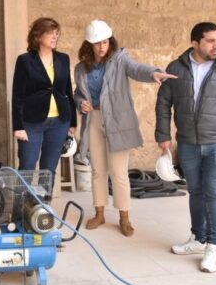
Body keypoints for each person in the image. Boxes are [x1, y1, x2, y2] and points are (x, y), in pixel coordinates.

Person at [155, 21, 216, 273]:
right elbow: (164, 103)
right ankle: (198, 238)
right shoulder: (176, 68)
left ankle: (212, 247)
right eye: (210, 40)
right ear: (195, 43)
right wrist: (163, 134)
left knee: (213, 193)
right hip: (187, 143)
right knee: (195, 192)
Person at [74, 20, 177, 237]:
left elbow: (137, 69)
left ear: (110, 41)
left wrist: (154, 73)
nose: (102, 47)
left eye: (105, 42)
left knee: (119, 172)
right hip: (93, 118)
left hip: (117, 121)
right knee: (97, 171)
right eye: (97, 43)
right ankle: (99, 213)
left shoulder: (120, 60)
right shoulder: (81, 68)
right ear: (89, 44)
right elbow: (78, 93)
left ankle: (124, 218)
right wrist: (80, 103)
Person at [12, 17, 76, 178]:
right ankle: (23, 203)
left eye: (56, 33)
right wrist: (18, 127)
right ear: (38, 36)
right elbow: (18, 95)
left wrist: (73, 122)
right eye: (50, 33)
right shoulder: (25, 61)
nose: (55, 37)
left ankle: (42, 203)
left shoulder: (63, 58)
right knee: (27, 166)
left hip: (59, 122)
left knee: (49, 170)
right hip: (32, 122)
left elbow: (68, 90)